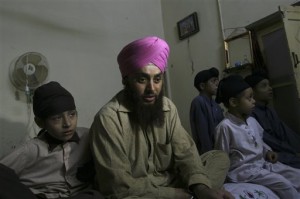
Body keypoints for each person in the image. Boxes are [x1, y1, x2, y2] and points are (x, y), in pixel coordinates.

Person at [89, 36, 233, 199]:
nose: (152, 88)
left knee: (218, 157)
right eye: (142, 79)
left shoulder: (167, 107)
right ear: (126, 80)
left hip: (173, 181)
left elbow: (186, 154)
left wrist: (201, 188)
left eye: (157, 79)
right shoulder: (108, 119)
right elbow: (118, 186)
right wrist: (177, 195)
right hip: (138, 192)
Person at [0, 81, 104, 199]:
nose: (67, 123)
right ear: (40, 122)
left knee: (95, 196)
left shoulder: (88, 137)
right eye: (57, 118)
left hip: (78, 196)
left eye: (72, 114)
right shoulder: (31, 149)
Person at [214, 75, 300, 199]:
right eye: (249, 98)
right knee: (284, 185)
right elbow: (221, 157)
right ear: (233, 102)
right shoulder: (225, 127)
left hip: (263, 164)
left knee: (296, 176)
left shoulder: (252, 121)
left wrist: (267, 151)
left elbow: (259, 142)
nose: (254, 101)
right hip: (244, 172)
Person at [244, 72, 300, 169]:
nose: (270, 88)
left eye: (269, 85)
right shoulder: (251, 116)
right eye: (264, 86)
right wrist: (292, 151)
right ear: (252, 92)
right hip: (272, 155)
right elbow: (266, 140)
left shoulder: (270, 110)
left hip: (286, 151)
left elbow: (285, 133)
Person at [190, 67, 224, 155]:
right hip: (209, 153)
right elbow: (203, 133)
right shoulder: (198, 102)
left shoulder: (215, 104)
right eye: (213, 81)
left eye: (217, 80)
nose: (217, 83)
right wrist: (210, 155)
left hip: (219, 150)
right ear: (202, 86)